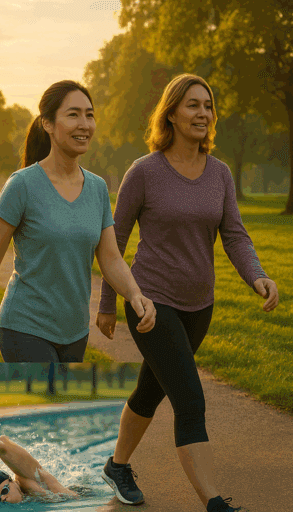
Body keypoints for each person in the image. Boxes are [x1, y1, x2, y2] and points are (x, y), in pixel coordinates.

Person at [96, 74, 279, 512]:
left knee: (151, 390)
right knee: (191, 400)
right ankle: (214, 502)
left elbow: (234, 234)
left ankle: (117, 465)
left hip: (201, 306)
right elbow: (113, 243)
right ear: (172, 114)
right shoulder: (144, 171)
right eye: (193, 105)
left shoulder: (219, 173)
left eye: (208, 106)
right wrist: (107, 305)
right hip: (151, 303)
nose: (202, 113)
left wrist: (257, 275)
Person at [0, 80, 156, 363]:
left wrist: (135, 294)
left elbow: (111, 259)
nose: (84, 124)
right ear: (48, 124)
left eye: (89, 115)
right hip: (24, 327)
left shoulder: (98, 188)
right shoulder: (22, 185)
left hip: (75, 333)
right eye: (73, 114)